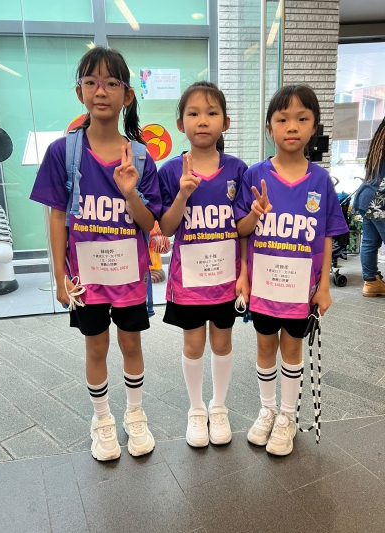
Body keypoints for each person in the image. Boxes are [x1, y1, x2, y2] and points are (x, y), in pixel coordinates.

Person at [30, 46, 162, 460]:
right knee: (95, 347)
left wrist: (130, 192)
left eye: (111, 83)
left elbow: (149, 223)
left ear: (127, 95)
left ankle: (135, 413)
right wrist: (58, 277)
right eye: (91, 82)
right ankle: (102, 419)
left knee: (132, 345)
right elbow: (57, 218)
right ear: (80, 92)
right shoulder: (63, 152)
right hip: (85, 279)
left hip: (129, 278)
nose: (100, 91)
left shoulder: (140, 156)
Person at [234, 85, 348, 456]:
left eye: (302, 118)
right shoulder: (255, 175)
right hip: (265, 284)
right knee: (265, 344)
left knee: (292, 347)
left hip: (301, 288)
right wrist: (245, 273)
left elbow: (327, 235)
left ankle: (287, 417)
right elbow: (241, 232)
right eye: (283, 119)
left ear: (314, 126)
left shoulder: (320, 181)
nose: (292, 127)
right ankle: (267, 410)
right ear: (269, 127)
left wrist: (324, 286)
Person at [158, 81, 249, 447]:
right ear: (181, 123)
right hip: (189, 282)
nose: (203, 121)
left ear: (225, 122)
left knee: (223, 342)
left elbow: (242, 229)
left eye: (212, 113)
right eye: (193, 113)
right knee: (194, 344)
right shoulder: (170, 171)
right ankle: (196, 409)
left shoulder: (238, 170)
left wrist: (245, 273)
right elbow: (166, 228)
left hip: (226, 279)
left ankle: (219, 406)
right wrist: (183, 193)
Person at [353, 116, 385, 297]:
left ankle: (372, 282)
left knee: (370, 242)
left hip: (368, 195)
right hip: (381, 199)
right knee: (370, 242)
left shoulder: (379, 140)